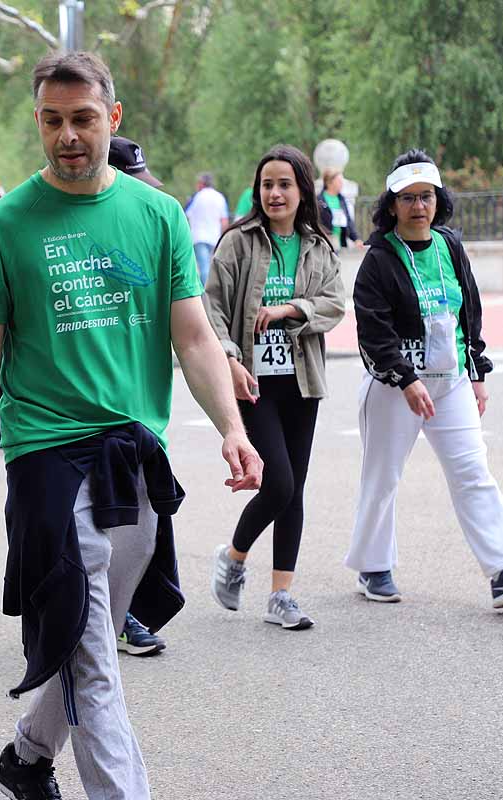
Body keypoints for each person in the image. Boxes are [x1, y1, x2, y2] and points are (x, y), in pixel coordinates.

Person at [0, 51, 262, 800]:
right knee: (91, 651)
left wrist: (232, 427)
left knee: (90, 633)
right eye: (52, 121)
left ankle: (26, 756)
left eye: (82, 119)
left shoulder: (155, 215)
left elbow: (192, 335)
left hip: (133, 455)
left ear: (111, 118)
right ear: (37, 123)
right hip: (46, 457)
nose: (67, 135)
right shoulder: (6, 225)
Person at [347, 149, 503, 608]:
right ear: (392, 205)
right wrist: (405, 379)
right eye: (408, 198)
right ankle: (373, 566)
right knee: (382, 477)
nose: (419, 206)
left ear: (438, 200)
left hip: (452, 381)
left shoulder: (450, 246)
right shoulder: (379, 260)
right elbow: (373, 331)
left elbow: (469, 315)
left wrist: (476, 371)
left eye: (427, 197)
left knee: (473, 472)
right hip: (394, 389)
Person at [203, 145, 346, 630]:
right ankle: (235, 555)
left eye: (284, 184)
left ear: (302, 189)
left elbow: (334, 303)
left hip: (303, 380)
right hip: (254, 382)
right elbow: (212, 307)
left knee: (295, 489)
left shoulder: (317, 245)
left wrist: (291, 310)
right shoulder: (237, 242)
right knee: (278, 482)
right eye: (267, 184)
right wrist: (229, 356)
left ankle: (280, 595)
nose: (275, 193)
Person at [103, 136, 170, 657]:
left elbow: (189, 327)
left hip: (141, 416)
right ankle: (98, 624)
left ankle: (122, 614)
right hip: (67, 424)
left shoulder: (153, 225)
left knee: (141, 532)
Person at [185, 172, 230, 286]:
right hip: (215, 237)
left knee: (203, 268)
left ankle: (205, 296)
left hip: (199, 237)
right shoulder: (220, 197)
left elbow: (187, 214)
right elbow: (224, 220)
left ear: (201, 184)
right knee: (213, 268)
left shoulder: (197, 196)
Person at [318, 168, 363, 248]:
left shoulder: (341, 200)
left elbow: (348, 221)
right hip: (326, 243)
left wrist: (356, 239)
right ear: (329, 182)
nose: (341, 183)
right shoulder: (319, 200)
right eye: (339, 181)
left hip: (341, 242)